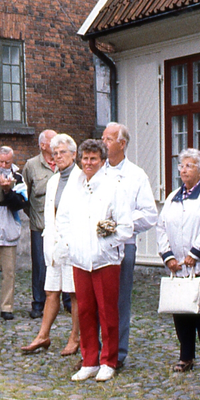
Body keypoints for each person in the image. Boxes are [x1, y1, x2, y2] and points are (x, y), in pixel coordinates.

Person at [67, 139, 133, 382]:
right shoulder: (76, 186)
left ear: (103, 161)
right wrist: (71, 245)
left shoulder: (113, 187)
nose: (88, 163)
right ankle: (89, 360)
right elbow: (65, 217)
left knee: (107, 311)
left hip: (105, 260)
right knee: (84, 310)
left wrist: (105, 242)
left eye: (93, 158)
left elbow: (126, 227)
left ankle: (109, 360)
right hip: (80, 258)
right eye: (84, 158)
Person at [157, 148, 200, 373]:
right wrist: (168, 256)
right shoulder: (173, 196)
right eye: (181, 165)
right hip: (177, 266)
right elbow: (161, 226)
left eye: (189, 166)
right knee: (180, 310)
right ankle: (186, 356)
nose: (183, 170)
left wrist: (195, 253)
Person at [102, 122, 159, 369]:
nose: (103, 143)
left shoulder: (136, 175)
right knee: (96, 299)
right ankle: (96, 350)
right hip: (96, 245)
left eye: (108, 139)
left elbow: (149, 214)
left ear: (121, 144)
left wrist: (121, 224)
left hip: (124, 244)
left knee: (119, 300)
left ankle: (117, 352)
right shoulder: (95, 171)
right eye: (102, 138)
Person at [20, 134, 80, 356]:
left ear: (74, 154)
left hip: (73, 243)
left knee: (74, 293)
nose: (58, 156)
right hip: (54, 243)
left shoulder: (82, 178)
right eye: (55, 153)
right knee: (51, 290)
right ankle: (42, 335)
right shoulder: (54, 179)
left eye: (62, 152)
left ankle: (75, 337)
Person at [22, 130, 57, 319]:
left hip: (60, 226)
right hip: (40, 225)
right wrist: (35, 215)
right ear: (43, 145)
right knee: (40, 267)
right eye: (53, 141)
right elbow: (24, 195)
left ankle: (65, 300)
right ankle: (38, 303)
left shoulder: (63, 163)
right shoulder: (31, 166)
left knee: (62, 262)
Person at [0, 146, 26, 320]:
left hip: (8, 226)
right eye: (1, 161)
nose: (3, 165)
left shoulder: (18, 177)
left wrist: (7, 191)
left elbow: (20, 204)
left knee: (8, 271)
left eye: (7, 162)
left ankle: (7, 306)